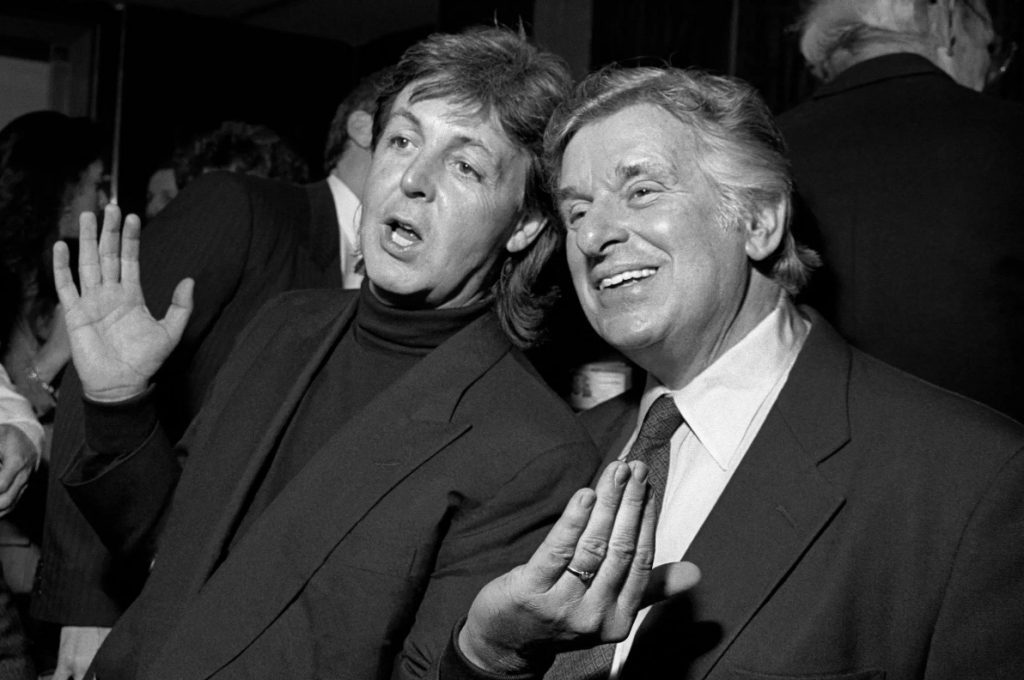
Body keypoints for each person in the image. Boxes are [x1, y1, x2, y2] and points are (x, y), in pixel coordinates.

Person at [438, 65, 1024, 679]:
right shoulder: (553, 457)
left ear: (760, 220)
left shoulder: (968, 483)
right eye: (577, 211)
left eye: (642, 191)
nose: (593, 236)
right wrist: (488, 656)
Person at [55, 26, 598, 680]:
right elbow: (171, 546)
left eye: (465, 166)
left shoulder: (531, 448)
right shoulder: (287, 324)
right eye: (403, 141)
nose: (414, 179)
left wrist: (485, 656)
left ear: (525, 224)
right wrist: (119, 406)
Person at [31, 74, 388, 680]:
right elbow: (102, 377)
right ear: (363, 127)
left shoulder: (404, 275)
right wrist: (86, 607)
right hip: (139, 597)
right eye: (405, 137)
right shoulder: (242, 206)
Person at [778, 0, 1024, 420]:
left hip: (795, 443)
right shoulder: (1011, 136)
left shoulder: (757, 152)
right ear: (947, 19)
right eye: (990, 51)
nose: (990, 72)